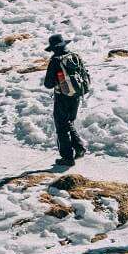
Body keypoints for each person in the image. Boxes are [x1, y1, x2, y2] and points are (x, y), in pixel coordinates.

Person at [41, 34, 89, 166]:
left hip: (62, 96)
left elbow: (48, 84)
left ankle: (67, 157)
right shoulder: (75, 56)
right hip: (77, 94)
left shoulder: (55, 61)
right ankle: (79, 148)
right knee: (69, 122)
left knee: (61, 126)